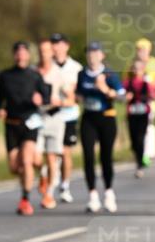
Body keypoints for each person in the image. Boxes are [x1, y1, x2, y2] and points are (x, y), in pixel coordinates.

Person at [0, 41, 49, 215]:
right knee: (14, 167)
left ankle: (25, 199)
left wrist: (40, 100)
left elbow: (46, 97)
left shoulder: (34, 75)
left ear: (28, 55)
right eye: (17, 52)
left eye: (23, 52)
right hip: (11, 124)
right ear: (14, 55)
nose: (20, 56)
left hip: (30, 123)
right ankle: (41, 172)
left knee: (26, 161)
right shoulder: (5, 76)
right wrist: (0, 109)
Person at [77, 42, 123, 213]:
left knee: (106, 157)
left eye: (95, 53)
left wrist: (105, 89)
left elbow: (121, 97)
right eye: (89, 53)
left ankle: (109, 192)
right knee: (88, 156)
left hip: (107, 118)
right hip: (88, 118)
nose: (92, 56)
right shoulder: (82, 74)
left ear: (102, 55)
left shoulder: (109, 74)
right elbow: (79, 94)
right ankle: (92, 195)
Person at [52, 33, 83, 203]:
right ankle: (52, 178)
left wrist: (72, 94)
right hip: (51, 114)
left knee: (65, 152)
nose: (56, 47)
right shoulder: (47, 66)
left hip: (69, 115)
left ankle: (65, 185)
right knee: (51, 152)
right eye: (53, 44)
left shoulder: (76, 67)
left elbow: (80, 95)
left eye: (59, 43)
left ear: (66, 46)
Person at [33, 38, 65, 208]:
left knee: (52, 157)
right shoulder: (33, 71)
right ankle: (43, 174)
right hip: (36, 119)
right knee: (36, 158)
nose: (42, 53)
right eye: (40, 50)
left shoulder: (58, 73)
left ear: (52, 52)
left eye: (46, 50)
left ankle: (49, 194)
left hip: (54, 117)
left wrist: (58, 100)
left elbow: (70, 97)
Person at [126, 38, 155, 164]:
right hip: (134, 103)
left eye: (144, 50)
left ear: (149, 50)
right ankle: (139, 150)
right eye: (139, 50)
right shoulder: (130, 64)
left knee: (148, 125)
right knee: (135, 129)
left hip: (149, 100)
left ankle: (147, 153)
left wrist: (149, 84)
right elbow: (126, 83)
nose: (142, 53)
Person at [124, 57, 155, 177]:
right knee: (133, 140)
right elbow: (122, 96)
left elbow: (154, 95)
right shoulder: (128, 82)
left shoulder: (146, 82)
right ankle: (138, 157)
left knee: (140, 137)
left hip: (143, 113)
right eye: (135, 68)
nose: (137, 70)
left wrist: (148, 95)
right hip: (132, 113)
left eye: (139, 68)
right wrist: (126, 97)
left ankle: (140, 164)